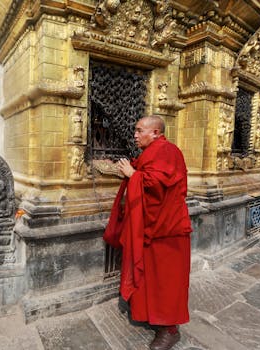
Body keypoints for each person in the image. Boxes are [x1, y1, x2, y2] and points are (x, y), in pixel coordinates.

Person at [103, 115, 192, 350]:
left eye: (139, 130)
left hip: (167, 230)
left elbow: (158, 184)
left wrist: (133, 175)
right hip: (152, 228)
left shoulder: (167, 150)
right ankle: (151, 316)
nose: (135, 134)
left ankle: (170, 330)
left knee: (167, 282)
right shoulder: (153, 152)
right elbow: (149, 177)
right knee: (151, 278)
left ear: (155, 132)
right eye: (135, 130)